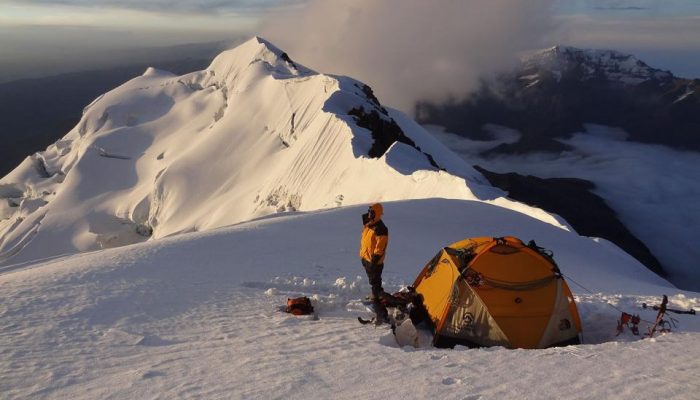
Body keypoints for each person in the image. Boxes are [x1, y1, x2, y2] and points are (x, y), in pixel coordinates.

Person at [359, 203, 389, 324]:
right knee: (374, 283)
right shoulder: (369, 225)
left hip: (374, 262)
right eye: (369, 212)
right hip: (366, 259)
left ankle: (382, 314)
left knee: (376, 286)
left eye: (372, 212)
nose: (369, 214)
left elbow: (380, 247)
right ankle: (378, 298)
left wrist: (374, 261)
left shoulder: (381, 228)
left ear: (376, 213)